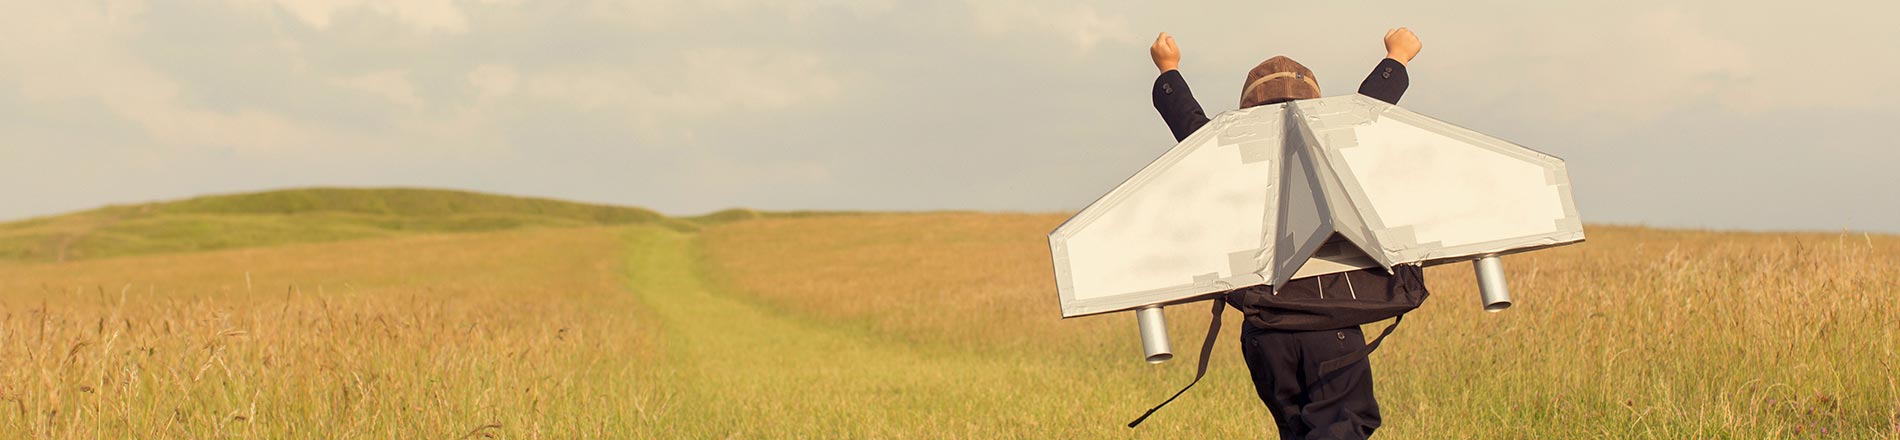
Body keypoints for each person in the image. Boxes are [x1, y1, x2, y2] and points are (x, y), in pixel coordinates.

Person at [1146, 29, 1427, 440]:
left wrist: (1168, 70)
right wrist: (1397, 58)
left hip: (1265, 336)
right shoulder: (1331, 151)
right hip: (1331, 326)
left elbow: (1189, 125)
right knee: (1343, 427)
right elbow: (1368, 111)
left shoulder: (1228, 160)